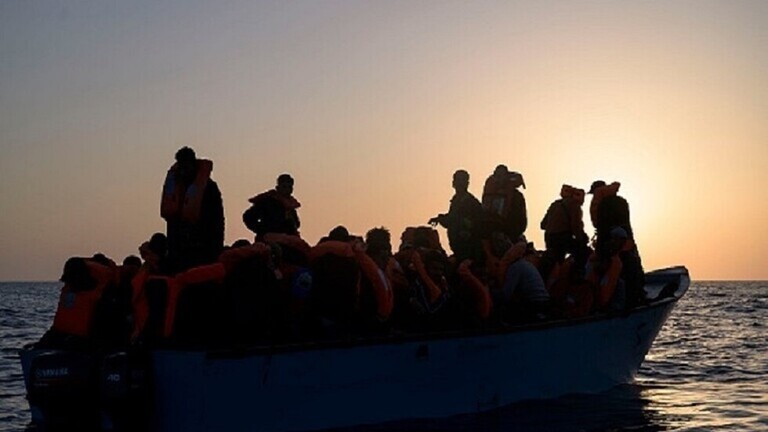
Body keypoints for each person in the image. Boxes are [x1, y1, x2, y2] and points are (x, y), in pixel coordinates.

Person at [161, 147, 224, 273]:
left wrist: (215, 249)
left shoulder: (209, 188)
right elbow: (172, 220)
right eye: (181, 167)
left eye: (186, 166)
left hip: (204, 247)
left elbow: (216, 221)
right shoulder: (175, 187)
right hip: (178, 249)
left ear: (193, 165)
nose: (183, 171)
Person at [38, 257, 119, 349]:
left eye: (73, 281)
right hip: (65, 335)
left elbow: (104, 330)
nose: (71, 285)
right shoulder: (71, 291)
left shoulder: (106, 295)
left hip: (92, 340)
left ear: (82, 278)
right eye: (68, 281)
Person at [429, 170, 484, 263]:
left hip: (469, 250)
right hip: (458, 248)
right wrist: (440, 219)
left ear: (467, 183)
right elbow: (452, 219)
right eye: (457, 180)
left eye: (461, 180)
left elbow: (474, 225)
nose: (459, 183)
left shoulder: (471, 203)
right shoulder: (456, 200)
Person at [540, 185, 591, 280]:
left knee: (555, 262)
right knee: (584, 252)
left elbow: (543, 225)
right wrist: (582, 239)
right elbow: (576, 226)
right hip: (562, 238)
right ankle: (577, 276)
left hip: (549, 238)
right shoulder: (574, 205)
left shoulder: (555, 204)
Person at [243, 174, 301, 240]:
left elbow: (296, 224)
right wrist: (262, 231)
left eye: (289, 187)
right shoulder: (268, 201)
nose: (287, 189)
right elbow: (248, 217)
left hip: (287, 240)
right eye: (284, 186)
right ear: (278, 187)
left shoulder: (290, 205)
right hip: (269, 240)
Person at [481, 165, 527, 241]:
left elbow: (520, 219)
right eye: (497, 176)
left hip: (509, 232)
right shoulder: (489, 193)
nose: (498, 179)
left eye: (501, 176)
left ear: (506, 177)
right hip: (490, 230)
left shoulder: (516, 196)